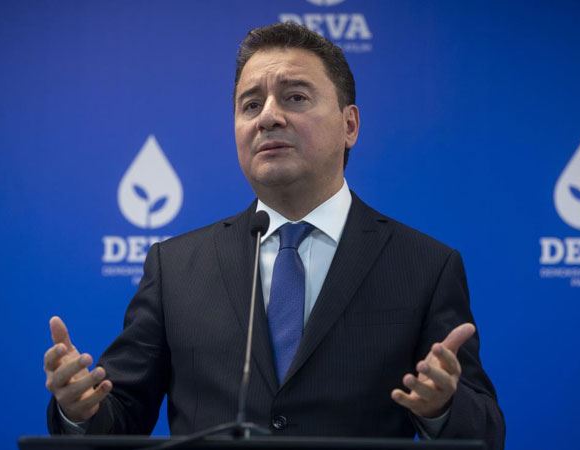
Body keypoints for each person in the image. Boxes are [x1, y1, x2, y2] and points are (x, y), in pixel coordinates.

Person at [44, 22, 505, 449]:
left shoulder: (423, 266)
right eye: (250, 105)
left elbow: (486, 432)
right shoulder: (175, 267)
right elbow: (120, 416)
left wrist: (442, 407)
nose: (267, 117)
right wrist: (79, 411)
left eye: (295, 98)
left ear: (349, 125)